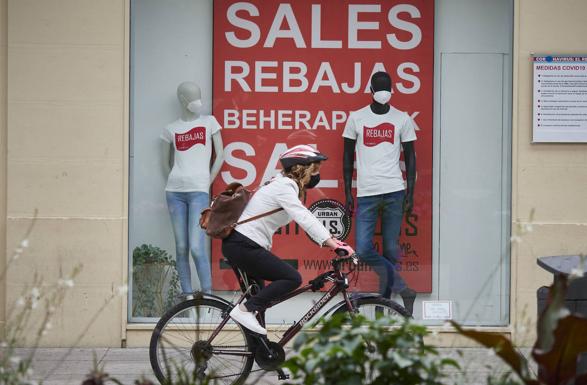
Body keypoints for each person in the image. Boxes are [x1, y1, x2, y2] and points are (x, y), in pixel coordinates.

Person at [222, 145, 354, 334]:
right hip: (243, 245)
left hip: (243, 244)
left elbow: (303, 214)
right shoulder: (284, 186)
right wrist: (332, 243)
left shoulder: (282, 183)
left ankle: (262, 353)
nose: (316, 174)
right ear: (301, 168)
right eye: (314, 169)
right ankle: (243, 311)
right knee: (291, 278)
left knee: (259, 305)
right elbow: (303, 216)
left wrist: (331, 239)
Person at [342, 71, 418, 314]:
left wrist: (411, 192)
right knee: (363, 249)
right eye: (381, 87)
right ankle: (404, 289)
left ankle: (381, 308)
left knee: (390, 251)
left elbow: (411, 157)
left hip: (395, 190)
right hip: (367, 192)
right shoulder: (356, 118)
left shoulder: (402, 119)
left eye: (387, 88)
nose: (384, 92)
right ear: (371, 90)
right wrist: (348, 191)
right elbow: (347, 157)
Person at [161, 81, 224, 297]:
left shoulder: (209, 122)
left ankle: (208, 295)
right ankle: (187, 296)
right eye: (192, 97)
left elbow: (220, 156)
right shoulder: (171, 129)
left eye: (199, 95)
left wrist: (206, 182)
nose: (198, 101)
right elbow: (164, 163)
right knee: (181, 247)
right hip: (174, 192)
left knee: (197, 247)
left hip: (199, 191)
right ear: (182, 99)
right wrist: (175, 179)